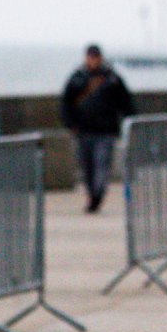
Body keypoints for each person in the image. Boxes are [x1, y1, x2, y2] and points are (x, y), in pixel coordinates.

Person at [61, 44, 135, 213]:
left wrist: (131, 122)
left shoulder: (112, 79)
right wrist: (70, 124)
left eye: (95, 57)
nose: (93, 60)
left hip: (105, 131)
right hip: (83, 131)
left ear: (100, 58)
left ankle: (98, 194)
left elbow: (126, 103)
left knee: (102, 164)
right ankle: (92, 195)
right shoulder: (77, 78)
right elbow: (66, 103)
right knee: (87, 167)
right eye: (90, 57)